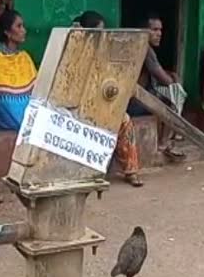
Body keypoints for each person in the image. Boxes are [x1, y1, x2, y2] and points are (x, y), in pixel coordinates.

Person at [74, 10, 144, 187]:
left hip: (104, 103)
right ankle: (90, 172)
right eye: (99, 31)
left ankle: (131, 171)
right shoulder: (76, 53)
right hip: (81, 106)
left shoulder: (105, 52)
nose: (103, 35)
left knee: (125, 120)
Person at [128, 14, 186, 161]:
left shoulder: (138, 45)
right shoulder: (146, 49)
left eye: (160, 30)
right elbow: (163, 78)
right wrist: (175, 80)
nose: (159, 33)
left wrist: (172, 75)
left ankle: (173, 134)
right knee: (175, 96)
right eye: (154, 29)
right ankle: (164, 143)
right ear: (143, 31)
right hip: (134, 104)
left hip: (132, 100)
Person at [0, 8, 37, 131]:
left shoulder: (25, 57)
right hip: (7, 114)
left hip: (29, 110)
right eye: (19, 26)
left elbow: (37, 92)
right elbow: (3, 101)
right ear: (7, 32)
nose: (24, 31)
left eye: (23, 26)